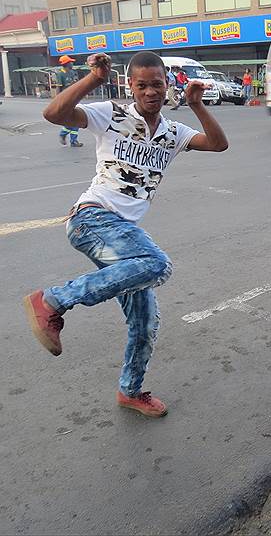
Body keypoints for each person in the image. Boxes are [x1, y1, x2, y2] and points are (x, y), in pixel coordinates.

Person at [23, 51, 228, 417]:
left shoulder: (173, 133)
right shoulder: (111, 114)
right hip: (93, 218)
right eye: (142, 85)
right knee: (157, 264)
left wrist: (197, 105)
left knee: (145, 319)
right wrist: (93, 80)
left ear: (168, 86)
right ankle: (53, 300)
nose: (151, 92)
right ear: (130, 87)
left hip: (122, 233)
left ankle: (130, 391)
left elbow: (217, 143)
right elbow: (53, 114)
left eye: (157, 84)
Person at [56, 55, 82, 147]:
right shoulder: (60, 74)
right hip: (65, 99)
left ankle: (67, 136)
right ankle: (70, 139)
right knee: (74, 119)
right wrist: (57, 100)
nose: (72, 63)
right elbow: (59, 88)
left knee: (75, 119)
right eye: (71, 62)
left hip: (73, 98)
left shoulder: (72, 72)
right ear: (66, 64)